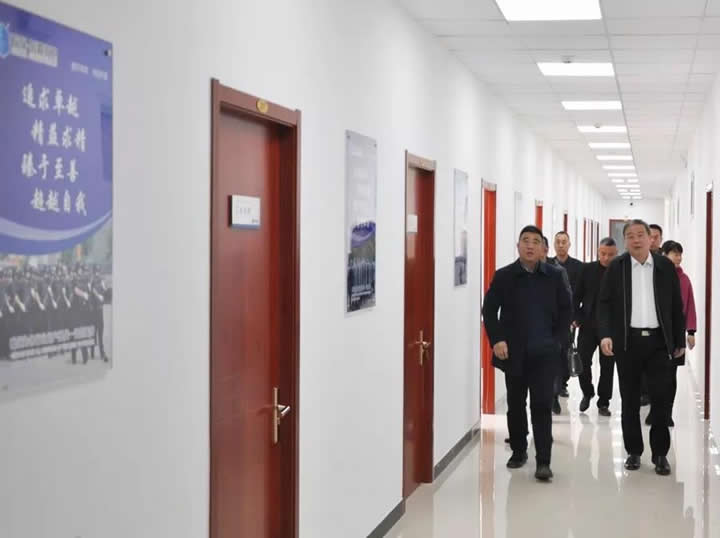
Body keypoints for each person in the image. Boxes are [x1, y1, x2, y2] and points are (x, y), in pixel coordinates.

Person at [482, 225, 573, 481]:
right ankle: (519, 450)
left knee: (542, 405)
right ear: (518, 246)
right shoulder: (505, 276)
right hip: (513, 352)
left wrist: (558, 342)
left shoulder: (554, 276)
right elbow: (489, 310)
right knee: (516, 404)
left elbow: (566, 311)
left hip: (545, 352)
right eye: (525, 241)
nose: (530, 245)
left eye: (535, 241)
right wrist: (497, 340)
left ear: (543, 248)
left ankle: (543, 460)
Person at [597, 219, 685, 476]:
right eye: (630, 236)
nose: (636, 240)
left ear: (650, 238)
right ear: (625, 241)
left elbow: (676, 305)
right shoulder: (617, 267)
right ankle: (633, 451)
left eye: (640, 235)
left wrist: (679, 340)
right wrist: (605, 335)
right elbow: (604, 304)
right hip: (628, 342)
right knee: (630, 400)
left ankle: (660, 454)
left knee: (661, 400)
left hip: (659, 343)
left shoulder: (664, 266)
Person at [646, 241, 697, 427]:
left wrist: (691, 331)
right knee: (654, 375)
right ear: (664, 255)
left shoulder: (684, 280)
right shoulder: (654, 276)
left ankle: (667, 412)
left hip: (676, 335)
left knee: (670, 376)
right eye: (674, 254)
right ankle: (655, 411)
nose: (678, 258)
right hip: (656, 333)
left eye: (680, 254)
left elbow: (690, 306)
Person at [573, 237, 619, 416]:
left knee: (607, 366)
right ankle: (587, 392)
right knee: (583, 361)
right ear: (598, 252)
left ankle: (604, 402)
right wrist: (576, 317)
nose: (606, 258)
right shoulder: (587, 269)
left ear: (616, 254)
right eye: (603, 254)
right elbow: (576, 297)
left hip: (611, 327)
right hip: (588, 324)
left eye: (611, 255)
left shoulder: (619, 271)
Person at [550, 232, 583, 402]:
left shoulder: (578, 266)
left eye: (564, 242)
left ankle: (563, 383)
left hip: (570, 317)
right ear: (554, 245)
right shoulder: (548, 264)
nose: (561, 245)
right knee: (554, 351)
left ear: (569, 244)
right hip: (551, 317)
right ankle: (554, 385)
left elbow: (582, 294)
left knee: (566, 350)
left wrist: (577, 317)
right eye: (558, 242)